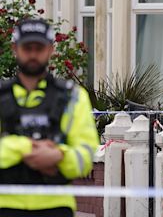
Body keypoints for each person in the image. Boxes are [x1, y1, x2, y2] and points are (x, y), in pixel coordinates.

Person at [0, 18, 99, 217]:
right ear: (15, 49)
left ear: (51, 50)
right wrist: (26, 148)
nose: (33, 54)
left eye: (39, 48)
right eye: (27, 47)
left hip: (56, 206)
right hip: (6, 205)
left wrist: (59, 156)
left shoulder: (73, 97)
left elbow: (86, 155)